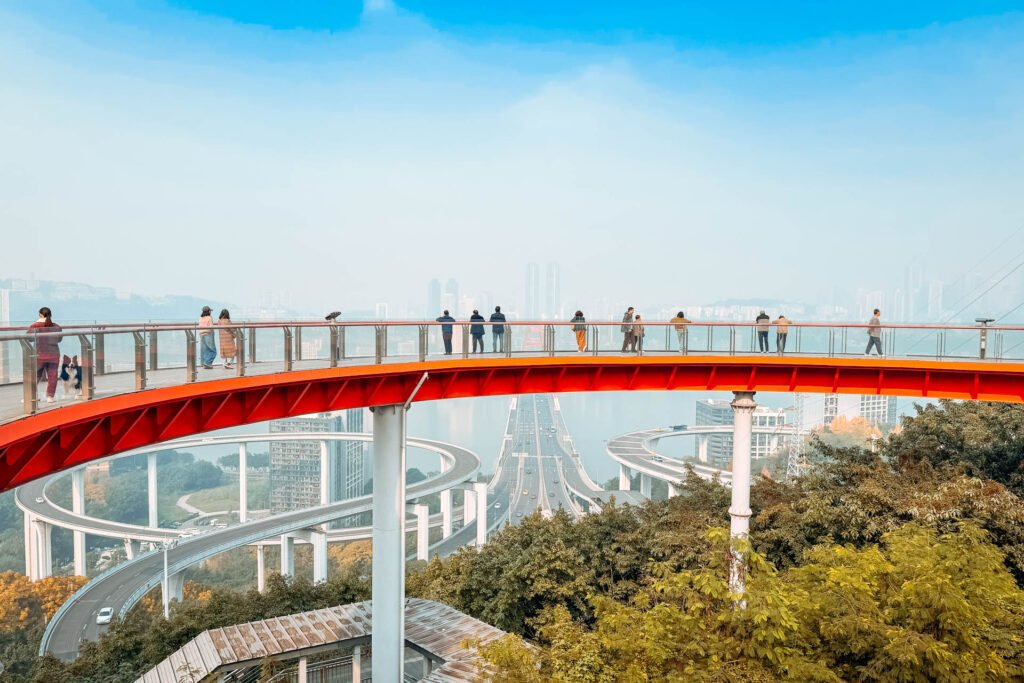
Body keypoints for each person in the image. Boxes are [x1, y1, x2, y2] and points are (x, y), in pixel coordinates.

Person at [28, 307, 63, 403]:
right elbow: (59, 339)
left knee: (35, 376)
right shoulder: (57, 327)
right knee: (53, 376)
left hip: (39, 354)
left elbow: (29, 338)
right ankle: (50, 397)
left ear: (40, 315)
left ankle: (31, 396)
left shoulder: (35, 326)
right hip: (54, 354)